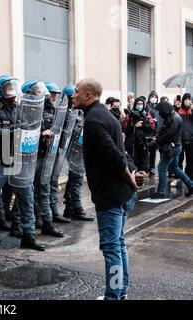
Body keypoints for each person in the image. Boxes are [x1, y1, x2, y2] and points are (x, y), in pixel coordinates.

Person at [73, 78, 145, 300]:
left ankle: (113, 296)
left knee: (111, 248)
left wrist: (130, 177)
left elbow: (115, 155)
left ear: (88, 95)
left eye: (76, 92)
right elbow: (122, 152)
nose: (73, 95)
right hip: (120, 192)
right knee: (118, 245)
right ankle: (120, 293)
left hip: (111, 195)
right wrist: (132, 173)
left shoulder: (94, 120)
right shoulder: (106, 115)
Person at [0, 75, 45, 252]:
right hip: (0, 160)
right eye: (8, 87)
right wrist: (17, 129)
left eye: (13, 87)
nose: (12, 91)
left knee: (26, 198)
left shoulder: (19, 107)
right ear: (0, 90)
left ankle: (28, 235)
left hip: (20, 160)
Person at [34, 81, 70, 239]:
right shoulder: (32, 109)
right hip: (32, 156)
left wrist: (52, 137)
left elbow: (57, 129)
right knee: (32, 191)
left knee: (44, 188)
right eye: (51, 93)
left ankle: (46, 221)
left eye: (54, 94)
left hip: (47, 154)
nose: (53, 97)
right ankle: (33, 220)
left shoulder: (53, 110)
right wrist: (42, 134)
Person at [62, 85, 94, 222]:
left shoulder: (79, 112)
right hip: (72, 151)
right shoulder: (66, 113)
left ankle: (70, 208)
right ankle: (76, 208)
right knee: (76, 180)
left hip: (79, 150)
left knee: (75, 180)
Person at [151, 101, 193, 199]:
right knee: (175, 169)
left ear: (165, 110)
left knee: (161, 168)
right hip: (173, 147)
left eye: (161, 111)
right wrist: (156, 137)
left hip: (172, 148)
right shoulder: (170, 116)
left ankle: (161, 192)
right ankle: (190, 185)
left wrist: (157, 141)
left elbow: (169, 133)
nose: (160, 113)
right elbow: (164, 130)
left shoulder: (175, 118)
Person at [123, 97, 155, 172]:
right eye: (138, 104)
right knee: (133, 163)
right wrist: (133, 124)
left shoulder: (147, 114)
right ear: (135, 104)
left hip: (143, 143)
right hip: (132, 143)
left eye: (141, 104)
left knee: (143, 164)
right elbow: (125, 129)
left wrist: (142, 125)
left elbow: (152, 127)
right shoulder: (129, 115)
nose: (140, 105)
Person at [178, 93, 193, 179]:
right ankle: (179, 177)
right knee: (179, 159)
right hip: (180, 139)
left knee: (190, 160)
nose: (187, 101)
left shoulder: (192, 110)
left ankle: (189, 177)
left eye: (189, 99)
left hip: (191, 139)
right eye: (186, 99)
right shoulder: (179, 110)